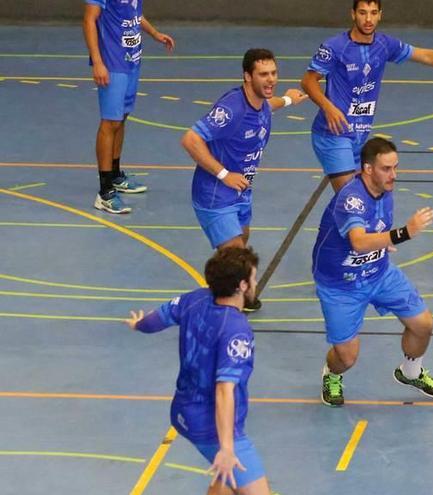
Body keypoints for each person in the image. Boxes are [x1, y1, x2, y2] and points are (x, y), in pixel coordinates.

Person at [124, 247, 273, 495]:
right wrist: (226, 448)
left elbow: (156, 319)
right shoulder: (236, 330)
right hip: (211, 424)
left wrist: (138, 324)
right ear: (242, 285)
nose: (256, 283)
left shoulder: (194, 299)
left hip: (183, 410)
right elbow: (224, 390)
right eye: (254, 278)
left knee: (227, 483)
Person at [301, 0, 433, 192]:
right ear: (353, 14)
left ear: (380, 15)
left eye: (373, 13)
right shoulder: (335, 47)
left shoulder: (384, 44)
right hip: (333, 134)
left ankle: (329, 224)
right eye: (362, 13)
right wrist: (328, 107)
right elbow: (308, 81)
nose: (368, 19)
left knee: (364, 198)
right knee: (351, 199)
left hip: (359, 134)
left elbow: (426, 56)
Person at [311, 137, 433, 407]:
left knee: (423, 324)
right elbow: (358, 242)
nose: (393, 175)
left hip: (379, 272)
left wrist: (383, 245)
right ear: (367, 169)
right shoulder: (351, 199)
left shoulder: (385, 192)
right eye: (386, 168)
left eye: (395, 168)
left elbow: (373, 233)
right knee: (346, 357)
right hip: (341, 285)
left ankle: (411, 371)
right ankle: (331, 374)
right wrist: (404, 233)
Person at [181, 48, 308, 312]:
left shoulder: (260, 101)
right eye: (263, 74)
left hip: (241, 192)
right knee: (237, 259)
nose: (271, 79)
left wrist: (286, 100)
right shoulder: (231, 109)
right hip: (216, 195)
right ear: (247, 77)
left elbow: (266, 107)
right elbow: (190, 140)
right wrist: (224, 174)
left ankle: (226, 285)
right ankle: (225, 310)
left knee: (241, 242)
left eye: (273, 73)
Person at [83, 0, 175, 214]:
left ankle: (114, 175)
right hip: (112, 63)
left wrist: (154, 33)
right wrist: (97, 62)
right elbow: (89, 19)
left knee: (122, 117)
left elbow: (134, 15)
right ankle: (104, 192)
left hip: (131, 59)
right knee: (110, 121)